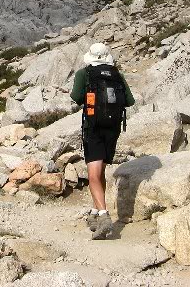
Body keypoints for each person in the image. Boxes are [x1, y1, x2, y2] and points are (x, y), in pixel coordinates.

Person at [70, 42, 135, 239]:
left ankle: (104, 216)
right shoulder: (116, 74)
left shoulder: (85, 73)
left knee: (93, 173)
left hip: (94, 127)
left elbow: (76, 97)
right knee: (101, 171)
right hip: (113, 128)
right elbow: (130, 101)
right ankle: (95, 212)